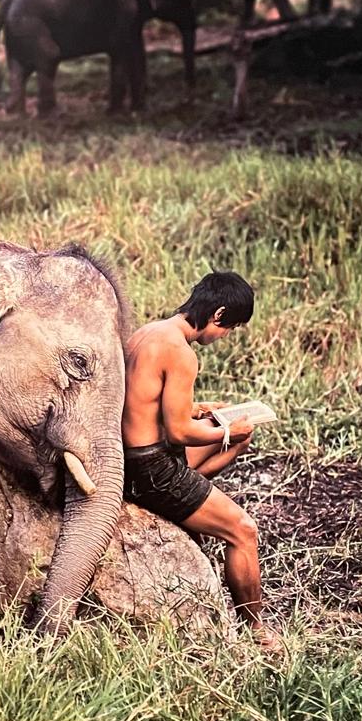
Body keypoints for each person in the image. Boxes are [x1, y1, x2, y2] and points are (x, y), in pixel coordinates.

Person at [121, 270, 280, 651]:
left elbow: (143, 403)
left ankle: (191, 497)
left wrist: (201, 410)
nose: (225, 336)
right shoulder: (181, 353)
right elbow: (179, 433)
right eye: (230, 328)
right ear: (218, 314)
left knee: (238, 434)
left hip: (130, 456)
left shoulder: (148, 333)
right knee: (243, 530)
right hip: (151, 469)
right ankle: (257, 631)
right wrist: (227, 431)